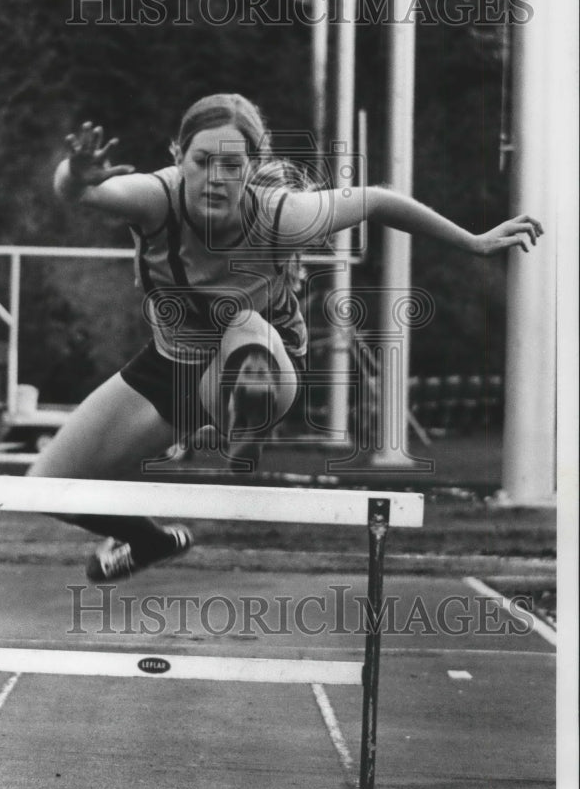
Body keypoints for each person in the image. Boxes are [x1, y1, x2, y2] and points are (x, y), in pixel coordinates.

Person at [28, 93, 543, 582]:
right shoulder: (155, 199)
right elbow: (85, 191)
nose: (215, 179)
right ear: (178, 156)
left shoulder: (281, 215)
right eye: (203, 161)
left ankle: (245, 413)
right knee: (45, 488)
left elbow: (379, 201)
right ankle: (149, 542)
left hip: (267, 360)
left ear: (252, 169)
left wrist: (472, 242)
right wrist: (76, 174)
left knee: (241, 322)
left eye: (232, 166)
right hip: (173, 366)